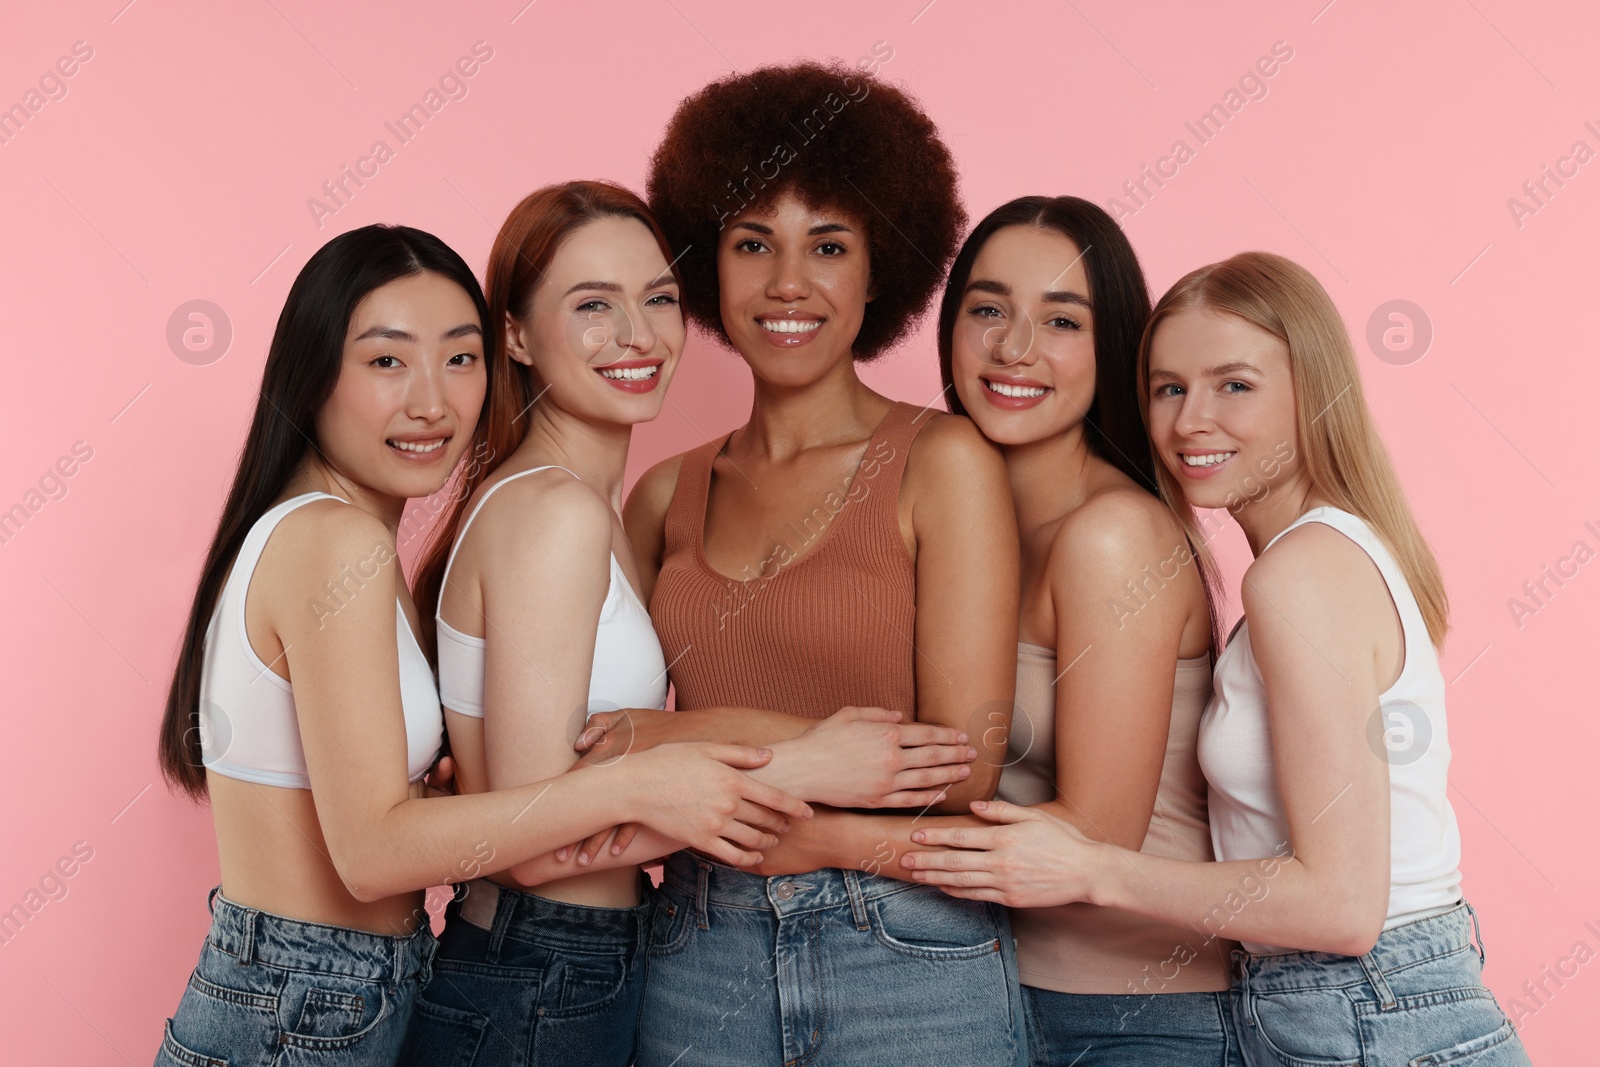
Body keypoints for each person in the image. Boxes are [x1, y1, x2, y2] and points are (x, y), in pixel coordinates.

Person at [154, 224, 810, 1067]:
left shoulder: (344, 539)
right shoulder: (333, 542)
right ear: (312, 370)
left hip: (324, 990)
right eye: (387, 361)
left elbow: (353, 818)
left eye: (459, 360)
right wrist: (650, 784)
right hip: (298, 1003)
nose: (432, 402)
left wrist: (449, 796)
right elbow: (369, 854)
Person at [903, 251, 1532, 1066]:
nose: (1192, 420)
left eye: (1235, 384)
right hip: (1335, 1006)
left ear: (1314, 387)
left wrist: (1093, 868)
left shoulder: (1300, 574)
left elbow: (1341, 906)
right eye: (1169, 388)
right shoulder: (1313, 559)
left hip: (1376, 1011)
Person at [398, 182, 975, 1066]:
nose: (638, 334)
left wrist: (662, 737)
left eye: (658, 299)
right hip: (545, 965)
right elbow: (538, 838)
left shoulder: (602, 508)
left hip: (603, 956)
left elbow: (592, 764)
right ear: (513, 331)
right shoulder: (556, 511)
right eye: (593, 305)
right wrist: (800, 760)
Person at [578, 62, 1028, 1066]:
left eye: (828, 244)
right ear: (706, 266)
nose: (787, 282)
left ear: (881, 269)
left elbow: (961, 763)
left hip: (907, 945)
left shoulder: (941, 461)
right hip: (699, 944)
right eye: (752, 244)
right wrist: (790, 751)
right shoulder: (659, 493)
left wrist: (680, 737)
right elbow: (595, 745)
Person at [934, 194, 1240, 1064]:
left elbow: (1089, 841)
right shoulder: (957, 522)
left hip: (1135, 1018)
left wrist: (817, 838)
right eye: (988, 309)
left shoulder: (1114, 536)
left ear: (1112, 350)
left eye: (1061, 320)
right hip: (984, 988)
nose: (1014, 347)